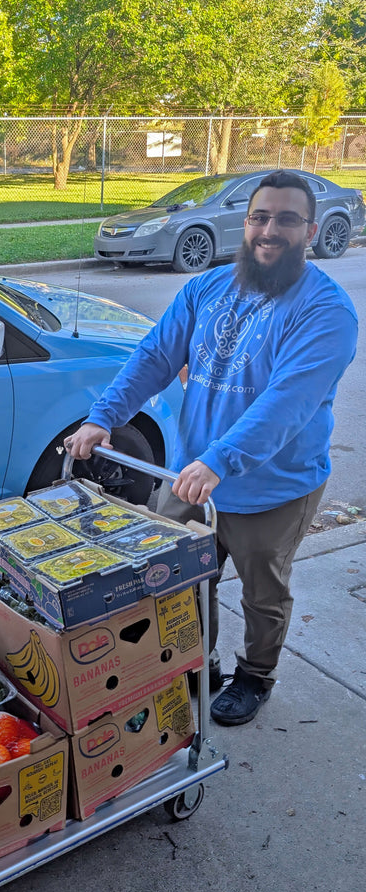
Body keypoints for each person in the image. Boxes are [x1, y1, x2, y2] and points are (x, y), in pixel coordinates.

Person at [65, 170, 358, 727]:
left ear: (311, 230)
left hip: (273, 485)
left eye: (287, 219)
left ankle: (255, 675)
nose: (270, 230)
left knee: (261, 594)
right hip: (191, 476)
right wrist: (103, 418)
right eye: (260, 217)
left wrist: (221, 460)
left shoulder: (326, 311)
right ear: (246, 225)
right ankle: (203, 663)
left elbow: (288, 403)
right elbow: (154, 356)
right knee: (178, 582)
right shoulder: (208, 287)